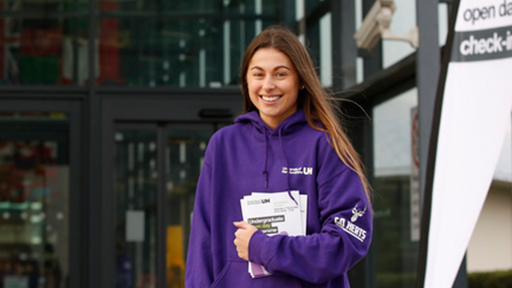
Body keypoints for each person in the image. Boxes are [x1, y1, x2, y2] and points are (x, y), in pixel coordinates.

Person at [185, 25, 372, 288]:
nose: (268, 85)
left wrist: (264, 247)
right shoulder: (223, 146)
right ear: (246, 81)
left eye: (281, 74)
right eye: (258, 74)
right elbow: (202, 242)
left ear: (301, 80)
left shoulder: (326, 145)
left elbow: (347, 240)